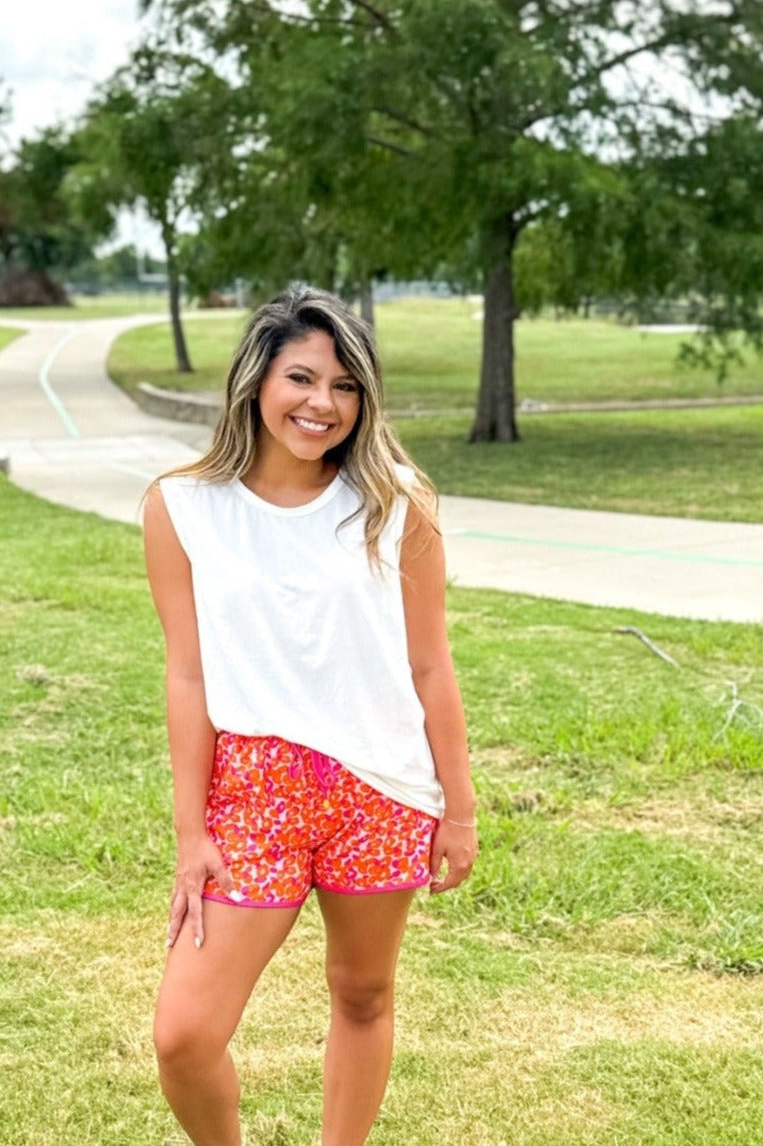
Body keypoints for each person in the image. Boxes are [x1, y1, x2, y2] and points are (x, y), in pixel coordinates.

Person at [142, 284, 478, 1146]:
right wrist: (191, 832)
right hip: (254, 790)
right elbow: (187, 675)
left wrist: (458, 810)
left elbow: (429, 664)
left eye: (344, 386)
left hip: (382, 786)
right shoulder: (183, 507)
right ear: (256, 381)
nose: (321, 404)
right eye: (300, 377)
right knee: (184, 1034)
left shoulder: (394, 501)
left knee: (362, 995)